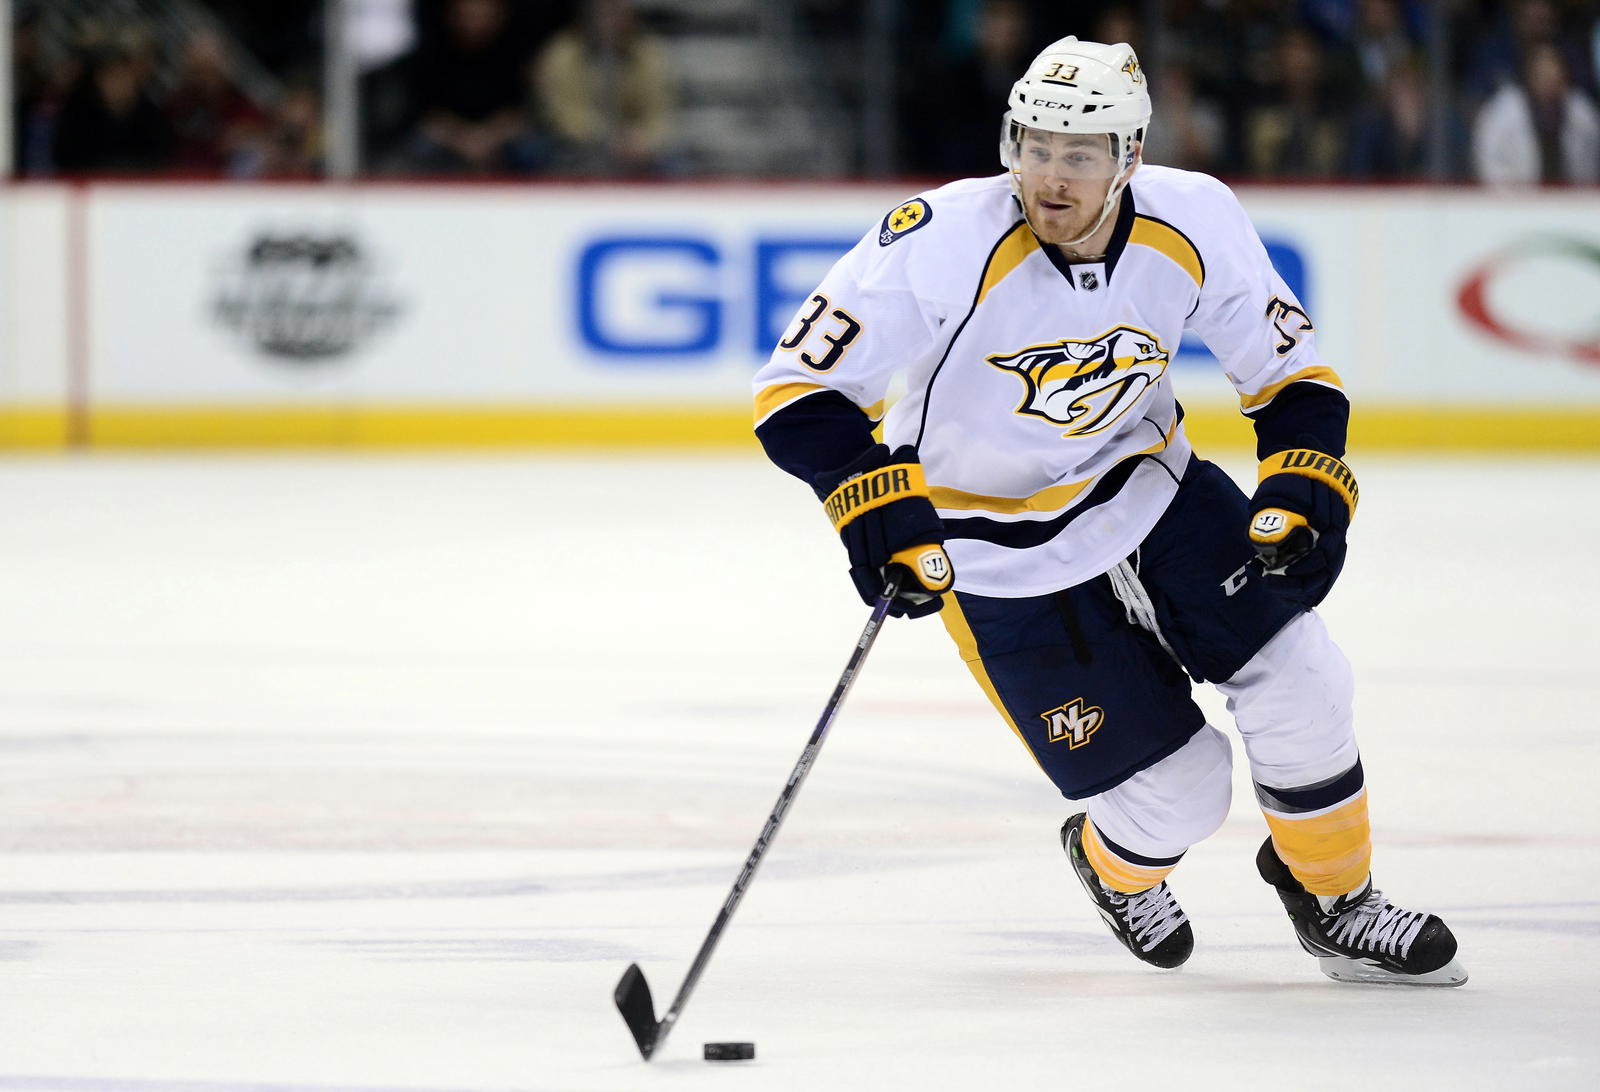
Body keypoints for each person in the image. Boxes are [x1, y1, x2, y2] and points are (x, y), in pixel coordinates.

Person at [752, 36, 1466, 987]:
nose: (1050, 176)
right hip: (992, 550)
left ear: (1129, 158)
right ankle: (1112, 862)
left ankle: (1337, 903)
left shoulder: (1195, 216)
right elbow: (796, 390)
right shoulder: (939, 240)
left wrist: (1302, 484)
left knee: (1304, 678)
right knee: (1182, 795)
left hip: (1149, 489)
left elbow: (1291, 374)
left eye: (1080, 154)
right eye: (1035, 146)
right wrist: (871, 503)